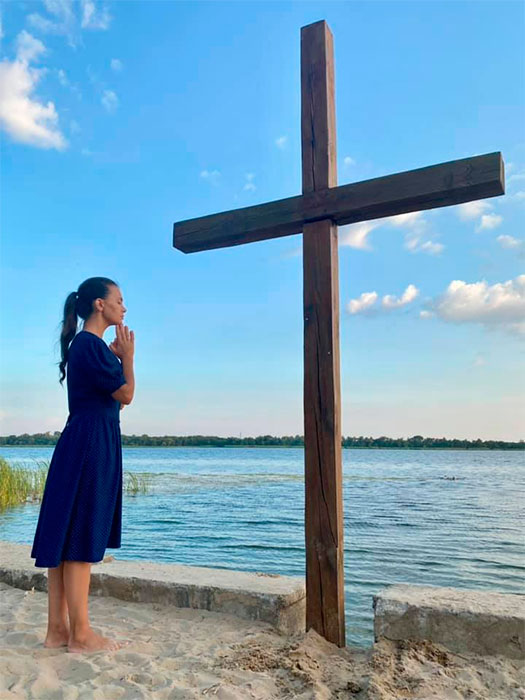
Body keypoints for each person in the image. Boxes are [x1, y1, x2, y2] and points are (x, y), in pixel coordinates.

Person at [30, 277, 135, 653]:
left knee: (66, 534)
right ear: (99, 304)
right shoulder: (90, 345)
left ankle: (58, 631)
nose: (124, 307)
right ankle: (81, 634)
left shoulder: (85, 346)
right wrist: (127, 358)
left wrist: (116, 359)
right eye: (118, 300)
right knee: (80, 535)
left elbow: (113, 402)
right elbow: (126, 395)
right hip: (92, 444)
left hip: (81, 440)